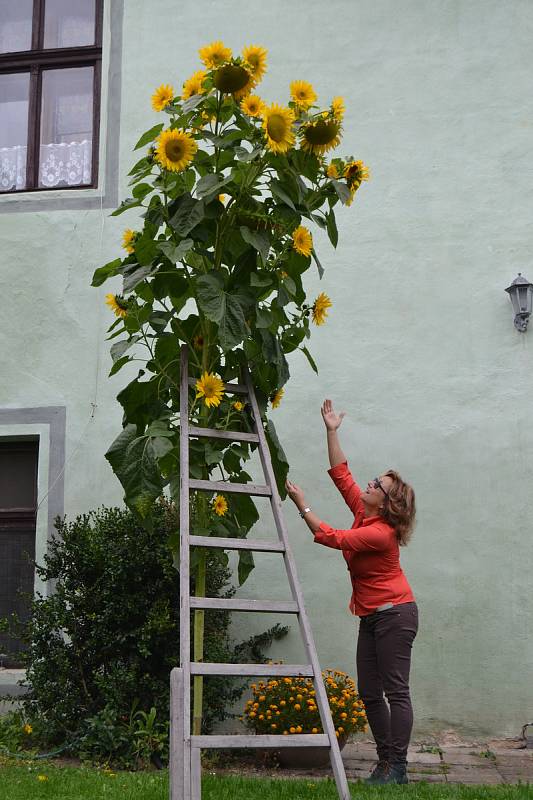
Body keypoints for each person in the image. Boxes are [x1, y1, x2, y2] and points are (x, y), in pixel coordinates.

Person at [285, 399, 418, 786]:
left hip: (395, 614)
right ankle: (385, 763)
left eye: (378, 485)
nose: (370, 484)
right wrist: (332, 430)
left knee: (396, 691)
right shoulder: (365, 511)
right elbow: (342, 474)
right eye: (375, 480)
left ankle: (399, 767)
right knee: (369, 694)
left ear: (388, 502)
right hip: (373, 614)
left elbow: (331, 537)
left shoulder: (379, 533)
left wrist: (303, 506)